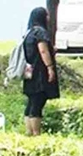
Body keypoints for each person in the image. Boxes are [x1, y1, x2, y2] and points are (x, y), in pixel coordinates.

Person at [22, 7, 59, 135]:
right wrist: (50, 67)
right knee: (38, 101)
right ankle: (36, 133)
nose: (48, 18)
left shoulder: (29, 33)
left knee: (31, 101)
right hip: (39, 71)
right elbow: (43, 50)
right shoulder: (40, 33)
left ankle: (28, 131)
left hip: (29, 70)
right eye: (47, 15)